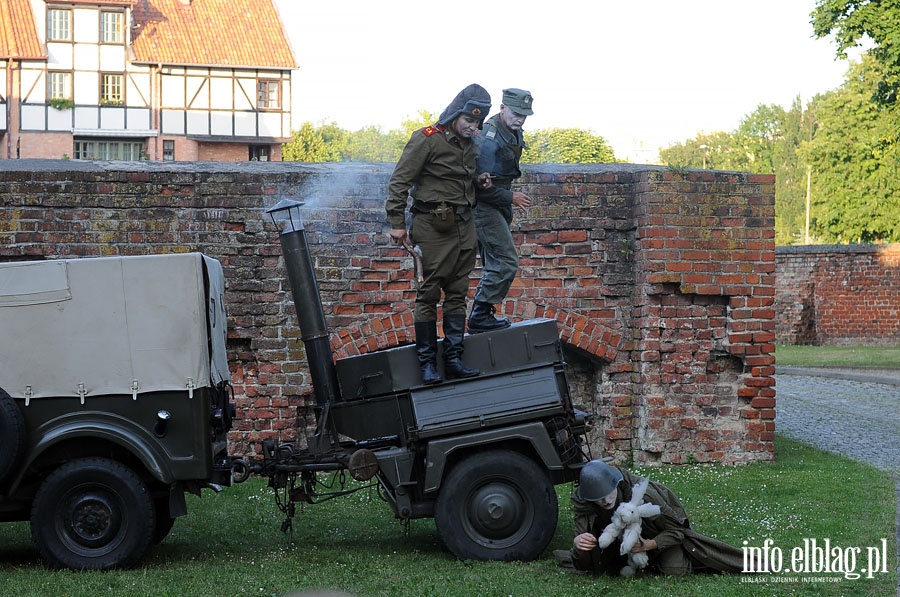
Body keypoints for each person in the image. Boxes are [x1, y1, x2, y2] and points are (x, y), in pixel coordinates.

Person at [386, 84, 493, 385]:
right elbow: (399, 182)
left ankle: (454, 359)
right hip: (432, 226)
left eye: (477, 122)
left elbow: (459, 176)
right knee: (429, 293)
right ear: (456, 114)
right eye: (468, 121)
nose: (472, 127)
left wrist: (478, 179)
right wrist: (397, 222)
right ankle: (427, 364)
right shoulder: (427, 139)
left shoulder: (472, 144)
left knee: (458, 294)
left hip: (463, 226)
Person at [557, 459, 748, 576]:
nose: (606, 501)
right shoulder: (584, 500)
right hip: (619, 542)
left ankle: (655, 560)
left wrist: (648, 545)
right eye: (599, 498)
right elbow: (580, 534)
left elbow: (677, 531)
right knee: (590, 563)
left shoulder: (645, 496)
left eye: (609, 493)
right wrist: (578, 540)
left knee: (675, 570)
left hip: (656, 535)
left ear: (616, 483)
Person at [468, 88, 534, 333]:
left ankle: (482, 315)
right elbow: (479, 185)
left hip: (499, 204)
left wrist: (507, 198)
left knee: (495, 262)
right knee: (506, 261)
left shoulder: (512, 132)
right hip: (485, 206)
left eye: (524, 115)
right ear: (502, 108)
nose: (520, 119)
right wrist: (511, 197)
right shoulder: (489, 137)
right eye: (516, 113)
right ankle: (479, 316)